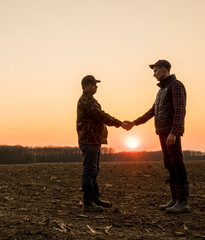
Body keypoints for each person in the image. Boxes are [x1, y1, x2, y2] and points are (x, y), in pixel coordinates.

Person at [124, 60, 189, 214]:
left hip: (171, 133)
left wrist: (174, 132)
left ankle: (183, 202)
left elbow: (180, 110)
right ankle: (175, 199)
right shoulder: (161, 91)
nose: (153, 75)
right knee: (169, 164)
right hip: (162, 131)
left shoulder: (176, 85)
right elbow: (152, 111)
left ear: (164, 69)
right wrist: (134, 123)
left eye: (155, 71)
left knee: (177, 164)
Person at [77, 75, 131, 212]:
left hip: (94, 139)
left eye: (96, 84)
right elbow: (101, 115)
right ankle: (88, 203)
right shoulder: (85, 101)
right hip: (89, 139)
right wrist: (120, 123)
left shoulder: (91, 100)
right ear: (85, 86)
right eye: (93, 84)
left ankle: (95, 199)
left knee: (94, 170)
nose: (96, 86)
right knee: (89, 170)